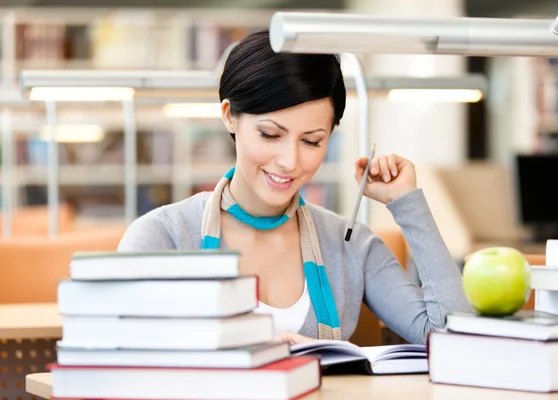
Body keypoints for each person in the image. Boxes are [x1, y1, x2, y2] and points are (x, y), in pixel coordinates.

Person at [117, 30, 473, 346]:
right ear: (229, 115)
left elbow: (454, 340)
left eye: (312, 142)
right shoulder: (164, 237)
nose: (289, 161)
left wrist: (407, 204)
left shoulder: (351, 246)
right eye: (270, 134)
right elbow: (119, 354)